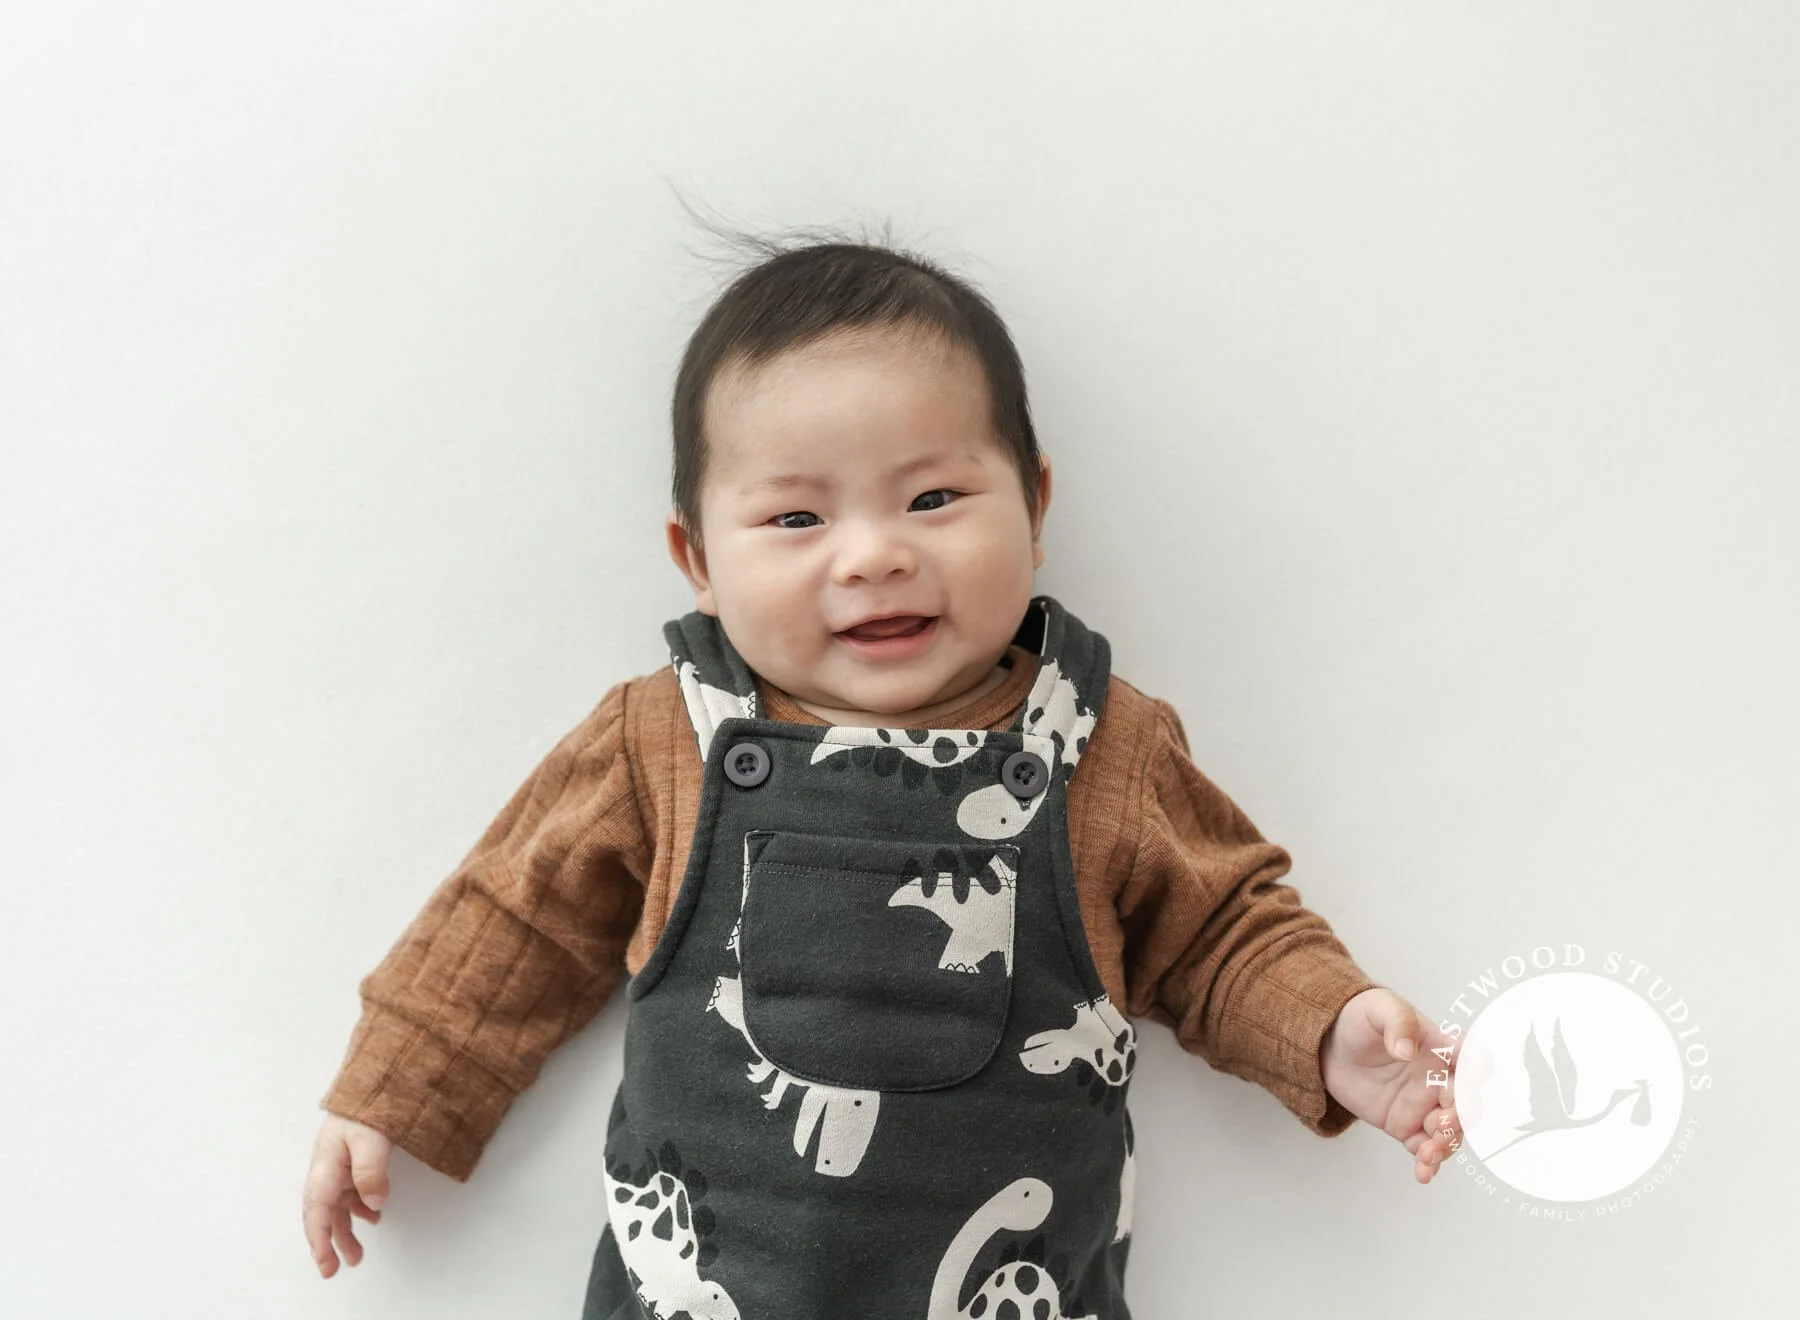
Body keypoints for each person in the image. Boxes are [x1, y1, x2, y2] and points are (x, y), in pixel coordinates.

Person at [302, 232, 1464, 1317]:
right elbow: (513, 921)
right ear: (697, 559)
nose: (873, 555)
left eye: (932, 499)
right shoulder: (662, 743)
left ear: (1035, 506)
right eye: (796, 518)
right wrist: (392, 1089)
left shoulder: (1100, 747)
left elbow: (1219, 929)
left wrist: (1327, 1029)